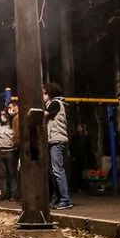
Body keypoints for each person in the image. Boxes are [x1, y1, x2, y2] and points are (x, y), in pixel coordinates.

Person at [42, 82, 74, 210]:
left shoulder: (56, 103)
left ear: (50, 93)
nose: (43, 96)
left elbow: (44, 115)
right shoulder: (52, 104)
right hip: (53, 140)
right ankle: (59, 198)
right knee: (54, 171)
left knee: (57, 170)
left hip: (57, 140)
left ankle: (65, 200)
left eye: (45, 93)